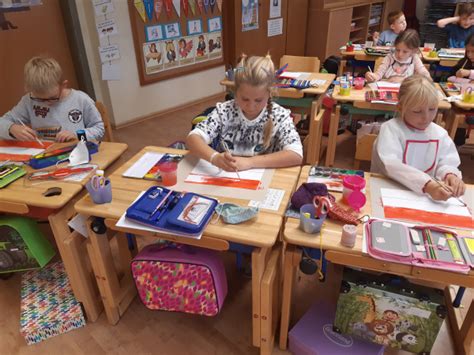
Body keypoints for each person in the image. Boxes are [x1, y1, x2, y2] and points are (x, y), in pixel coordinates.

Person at [186, 54, 303, 171]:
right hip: (226, 178)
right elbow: (193, 138)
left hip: (263, 180)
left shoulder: (279, 115)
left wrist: (250, 162)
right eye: (245, 99)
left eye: (258, 100)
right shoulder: (224, 111)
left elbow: (296, 154)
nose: (251, 106)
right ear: (235, 92)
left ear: (270, 93)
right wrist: (215, 158)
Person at [371, 75, 465, 201]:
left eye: (432, 109)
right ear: (400, 107)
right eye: (417, 111)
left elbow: (447, 161)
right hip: (389, 191)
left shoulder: (440, 134)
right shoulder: (391, 129)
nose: (426, 117)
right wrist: (427, 185)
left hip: (426, 198)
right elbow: (391, 165)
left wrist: (450, 175)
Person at [0, 56, 104, 142]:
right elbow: (2, 122)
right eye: (39, 99)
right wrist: (11, 128)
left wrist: (77, 135)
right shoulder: (29, 100)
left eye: (52, 98)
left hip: (78, 153)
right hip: (46, 155)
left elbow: (99, 130)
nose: (47, 103)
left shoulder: (80, 99)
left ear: (63, 85)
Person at [365, 30, 430, 83]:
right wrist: (372, 77)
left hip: (405, 94)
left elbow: (426, 76)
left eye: (405, 52)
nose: (400, 54)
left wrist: (404, 80)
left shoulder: (414, 59)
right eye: (397, 50)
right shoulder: (389, 57)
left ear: (413, 51)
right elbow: (378, 74)